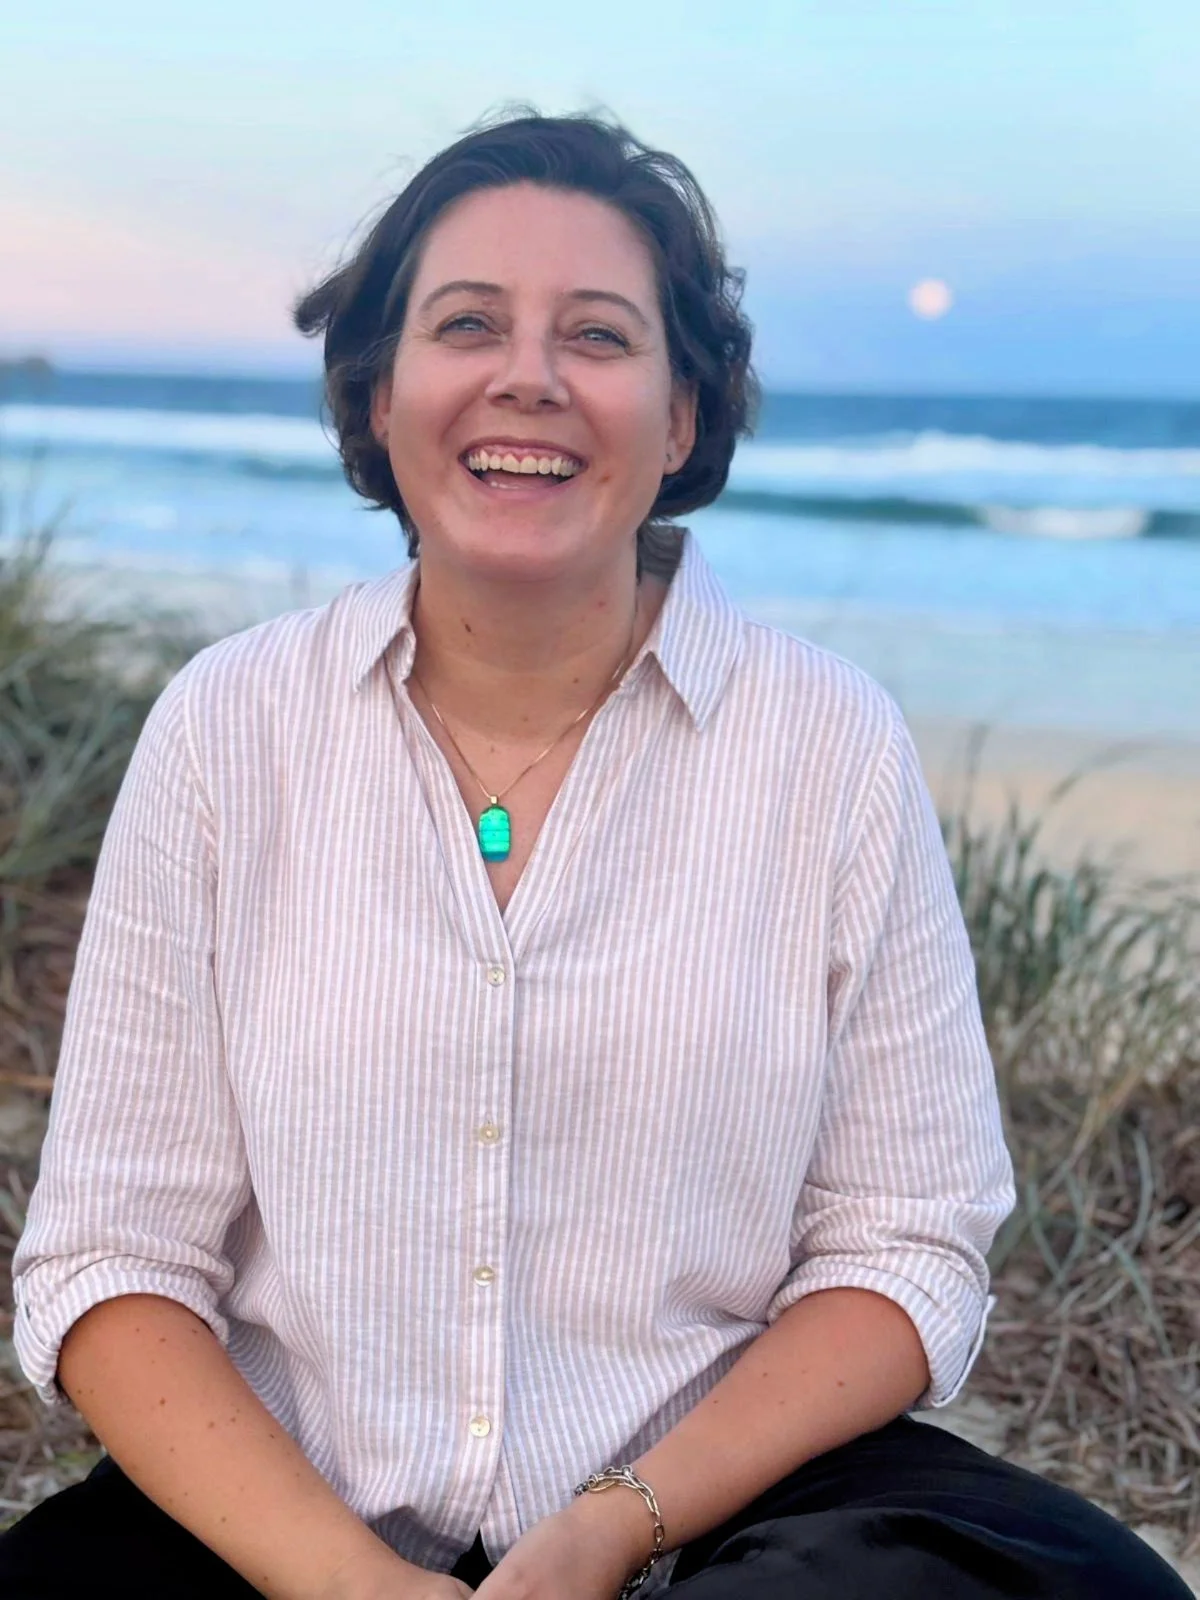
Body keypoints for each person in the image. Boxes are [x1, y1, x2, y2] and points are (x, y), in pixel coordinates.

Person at [1, 111, 1189, 1600]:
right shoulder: (227, 732)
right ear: (379, 395)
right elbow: (109, 1262)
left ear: (682, 418)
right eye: (469, 324)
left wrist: (607, 1527)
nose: (529, 378)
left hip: (729, 1513)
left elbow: (906, 1250)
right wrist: (350, 1585)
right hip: (288, 1521)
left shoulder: (828, 747)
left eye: (601, 336)